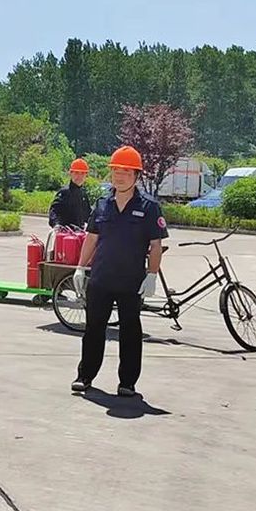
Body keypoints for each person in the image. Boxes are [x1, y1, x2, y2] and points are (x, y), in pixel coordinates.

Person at [71, 146, 168, 397]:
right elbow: (91, 238)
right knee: (93, 329)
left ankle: (127, 382)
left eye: (126, 172)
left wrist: (152, 274)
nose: (120, 176)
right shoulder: (102, 204)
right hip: (101, 278)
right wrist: (80, 267)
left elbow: (156, 245)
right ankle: (85, 375)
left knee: (130, 332)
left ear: (136, 175)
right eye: (116, 171)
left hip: (131, 281)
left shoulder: (149, 207)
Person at [49, 158, 92, 229]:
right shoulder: (64, 192)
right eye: (76, 173)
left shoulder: (83, 194)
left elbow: (88, 215)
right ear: (71, 173)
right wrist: (56, 224)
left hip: (80, 232)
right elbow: (54, 211)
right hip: (66, 232)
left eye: (82, 173)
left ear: (86, 175)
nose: (79, 176)